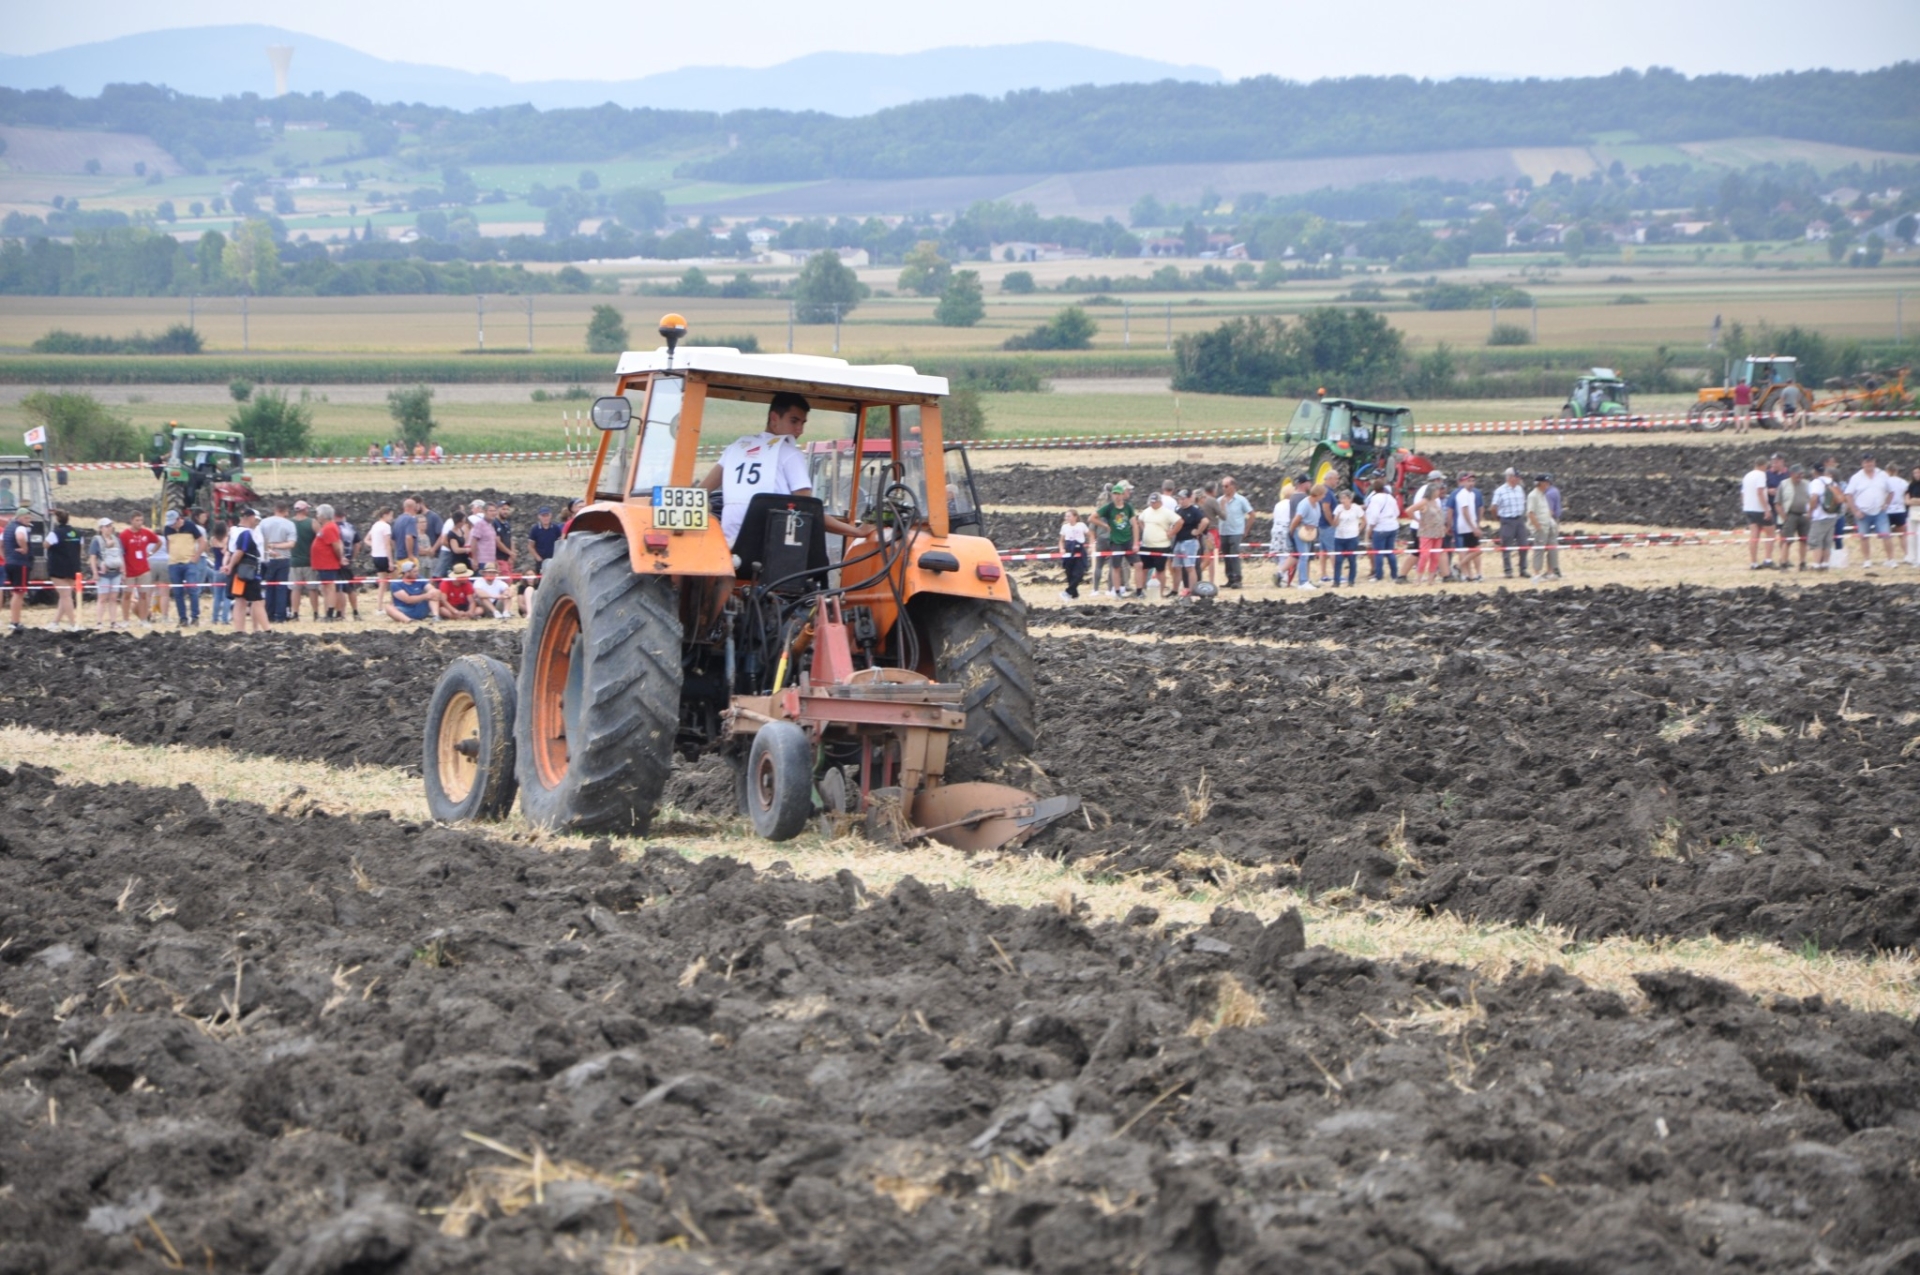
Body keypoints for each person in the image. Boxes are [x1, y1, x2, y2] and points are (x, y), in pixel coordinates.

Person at [698, 391, 869, 546]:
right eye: (794, 421)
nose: (800, 429)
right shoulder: (789, 453)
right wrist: (856, 531)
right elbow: (809, 508)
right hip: (769, 547)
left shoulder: (736, 447)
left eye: (803, 423)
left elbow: (700, 492)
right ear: (774, 418)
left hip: (726, 545)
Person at [1843, 453, 1899, 568]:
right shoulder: (1856, 477)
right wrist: (1855, 511)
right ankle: (1867, 561)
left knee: (1886, 535)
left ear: (1875, 462)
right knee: (1864, 537)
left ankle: (1891, 560)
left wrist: (1886, 505)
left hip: (1880, 512)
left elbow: (1891, 491)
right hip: (1863, 513)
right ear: (1862, 463)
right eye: (1867, 462)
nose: (1869, 464)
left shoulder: (1882, 475)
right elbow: (1848, 495)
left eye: (1871, 461)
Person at [224, 508, 269, 634]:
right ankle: (268, 631)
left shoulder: (233, 531)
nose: (256, 521)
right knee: (258, 600)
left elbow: (228, 551)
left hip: (238, 571)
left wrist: (227, 565)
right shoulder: (246, 533)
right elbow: (239, 552)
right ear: (250, 518)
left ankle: (239, 631)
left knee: (240, 600)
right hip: (247, 570)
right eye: (255, 518)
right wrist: (230, 565)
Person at [1092, 481, 1138, 598]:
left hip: (1103, 539)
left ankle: (1096, 589)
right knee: (1115, 565)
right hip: (1113, 539)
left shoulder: (1102, 505)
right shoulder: (1111, 507)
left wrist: (1093, 539)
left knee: (1101, 565)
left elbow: (1092, 525)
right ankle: (1112, 588)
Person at [163, 508, 206, 625]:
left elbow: (202, 541)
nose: (171, 526)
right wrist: (172, 554)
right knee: (177, 592)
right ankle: (183, 619)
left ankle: (195, 617)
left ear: (179, 519)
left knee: (193, 590)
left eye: (173, 523)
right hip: (173, 564)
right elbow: (168, 544)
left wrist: (197, 556)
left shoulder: (190, 526)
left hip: (189, 563)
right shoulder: (167, 529)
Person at [44, 509, 83, 630]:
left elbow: (45, 545)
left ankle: (73, 624)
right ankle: (55, 622)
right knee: (65, 595)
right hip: (73, 568)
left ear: (57, 519)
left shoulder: (55, 533)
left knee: (66, 596)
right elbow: (80, 550)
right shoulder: (77, 533)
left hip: (58, 568)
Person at [119, 512, 160, 626]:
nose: (139, 523)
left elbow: (158, 542)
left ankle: (143, 620)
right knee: (127, 595)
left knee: (144, 595)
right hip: (129, 570)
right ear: (131, 521)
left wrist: (150, 553)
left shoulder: (146, 533)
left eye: (141, 520)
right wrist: (123, 569)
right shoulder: (124, 535)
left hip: (144, 570)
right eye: (137, 520)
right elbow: (121, 553)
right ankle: (125, 620)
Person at [1136, 491, 1178, 598]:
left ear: (1160, 502)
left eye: (1155, 502)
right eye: (1151, 502)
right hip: (1146, 545)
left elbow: (1179, 521)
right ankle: (1142, 591)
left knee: (1160, 570)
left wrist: (1172, 533)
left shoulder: (1166, 512)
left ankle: (1160, 592)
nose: (1153, 504)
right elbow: (1140, 520)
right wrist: (1144, 530)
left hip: (1161, 546)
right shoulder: (1146, 511)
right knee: (1144, 569)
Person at [259, 501, 296, 622]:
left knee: (269, 587)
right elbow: (291, 543)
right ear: (285, 511)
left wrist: (269, 548)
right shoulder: (290, 524)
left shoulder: (264, 522)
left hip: (267, 559)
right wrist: (277, 546)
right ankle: (280, 616)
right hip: (283, 559)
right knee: (281, 587)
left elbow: (260, 541)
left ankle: (269, 615)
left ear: (275, 509)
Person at [1411, 471, 1448, 585]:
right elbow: (1410, 510)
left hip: (1437, 532)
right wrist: (1419, 521)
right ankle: (1418, 578)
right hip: (1426, 531)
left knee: (1435, 556)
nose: (1440, 490)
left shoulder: (1436, 501)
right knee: (1424, 555)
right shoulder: (1424, 500)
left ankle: (1431, 578)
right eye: (1438, 489)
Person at [1491, 468, 1530, 578]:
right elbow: (1494, 507)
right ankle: (1508, 570)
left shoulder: (1520, 489)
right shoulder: (1500, 491)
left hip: (1519, 520)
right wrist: (1499, 518)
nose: (1518, 479)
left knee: (1523, 545)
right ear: (1510, 477)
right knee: (1506, 546)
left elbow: (1524, 503)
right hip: (1507, 520)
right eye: (1516, 477)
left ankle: (1523, 569)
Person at [1774, 463, 1812, 571]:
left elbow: (1812, 499)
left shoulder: (1807, 484)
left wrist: (1809, 513)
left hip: (1804, 515)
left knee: (1804, 540)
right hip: (1790, 515)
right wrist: (1784, 517)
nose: (1800, 476)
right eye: (1798, 474)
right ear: (1791, 474)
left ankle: (1803, 563)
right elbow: (1777, 503)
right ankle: (1784, 563)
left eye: (1802, 474)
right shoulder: (1784, 484)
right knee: (1787, 541)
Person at [89, 518, 126, 628]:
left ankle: (113, 622)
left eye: (110, 526)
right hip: (103, 574)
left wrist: (123, 571)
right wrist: (95, 572)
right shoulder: (96, 540)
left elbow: (121, 556)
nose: (110, 528)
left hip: (116, 573)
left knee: (114, 598)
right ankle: (99, 622)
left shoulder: (117, 540)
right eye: (107, 526)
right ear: (101, 529)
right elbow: (93, 558)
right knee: (102, 598)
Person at [1216, 476, 1252, 589]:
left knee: (1234, 555)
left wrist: (1246, 529)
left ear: (1233, 486)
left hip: (1236, 532)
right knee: (1226, 556)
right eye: (1222, 486)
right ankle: (1230, 578)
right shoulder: (1219, 500)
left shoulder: (1241, 500)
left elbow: (1252, 514)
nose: (1224, 488)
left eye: (1226, 486)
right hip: (1223, 532)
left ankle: (1237, 579)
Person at [311, 504, 346, 621]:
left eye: (318, 514)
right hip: (323, 563)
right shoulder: (326, 527)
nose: (316, 516)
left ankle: (330, 613)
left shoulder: (330, 527)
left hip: (328, 563)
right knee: (326, 588)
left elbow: (336, 545)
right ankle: (328, 612)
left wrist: (340, 557)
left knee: (330, 588)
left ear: (323, 516)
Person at [1363, 478, 1401, 582]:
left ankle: (1379, 575)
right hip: (1392, 527)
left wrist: (1370, 529)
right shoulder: (1391, 498)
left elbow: (1374, 516)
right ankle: (1394, 574)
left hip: (1380, 528)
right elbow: (1397, 512)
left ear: (1374, 489)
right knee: (1391, 552)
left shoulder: (1374, 499)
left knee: (1378, 553)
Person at [1172, 490, 1208, 597]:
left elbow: (1205, 521)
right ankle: (1174, 591)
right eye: (1180, 499)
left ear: (1189, 498)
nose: (1181, 501)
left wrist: (1198, 531)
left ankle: (1192, 591)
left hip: (1190, 542)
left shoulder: (1194, 510)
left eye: (1183, 499)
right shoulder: (1178, 511)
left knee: (1190, 567)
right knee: (1176, 567)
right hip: (1179, 541)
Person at [1806, 461, 1841, 570]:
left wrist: (1810, 512)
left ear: (1814, 471)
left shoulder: (1816, 482)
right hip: (1832, 515)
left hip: (1820, 516)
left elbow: (1814, 498)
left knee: (1816, 540)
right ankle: (1825, 563)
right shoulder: (1832, 482)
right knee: (1827, 540)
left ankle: (1816, 564)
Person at [1450, 473, 1484, 582]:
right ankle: (1462, 570)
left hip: (1470, 526)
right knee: (1475, 550)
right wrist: (1474, 527)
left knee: (1472, 551)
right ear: (1463, 482)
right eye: (1469, 481)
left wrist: (1476, 525)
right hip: (1465, 527)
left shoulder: (1472, 494)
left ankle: (1467, 573)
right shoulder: (1462, 494)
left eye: (1473, 481)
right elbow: (1465, 512)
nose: (1471, 483)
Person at [1526, 474, 1561, 580]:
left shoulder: (1543, 495)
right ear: (1539, 483)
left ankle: (1550, 572)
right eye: (1545, 482)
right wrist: (1538, 526)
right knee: (1539, 550)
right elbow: (1531, 512)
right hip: (1540, 527)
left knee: (1552, 548)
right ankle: (1536, 573)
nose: (1547, 485)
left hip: (1549, 525)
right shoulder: (1533, 495)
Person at [1740, 457, 1772, 569]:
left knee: (1754, 535)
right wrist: (1766, 509)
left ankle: (1753, 562)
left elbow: (1743, 493)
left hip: (1748, 508)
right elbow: (1760, 492)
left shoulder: (1747, 476)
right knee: (1770, 533)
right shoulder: (1761, 475)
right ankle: (1768, 559)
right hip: (1759, 509)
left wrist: (1745, 505)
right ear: (1763, 465)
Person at [385, 559, 439, 624]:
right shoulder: (396, 584)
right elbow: (408, 600)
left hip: (419, 607)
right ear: (407, 573)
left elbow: (431, 588)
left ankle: (436, 617)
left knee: (434, 594)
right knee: (388, 608)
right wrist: (426, 596)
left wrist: (432, 592)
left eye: (417, 571)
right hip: (405, 610)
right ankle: (409, 621)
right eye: (415, 572)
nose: (417, 574)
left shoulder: (419, 578)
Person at [4, 507, 32, 631]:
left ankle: (14, 621)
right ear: (19, 517)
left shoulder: (7, 528)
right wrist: (25, 549)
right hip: (20, 563)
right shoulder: (20, 528)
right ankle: (15, 622)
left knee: (15, 592)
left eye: (29, 518)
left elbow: (1, 544)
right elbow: (20, 537)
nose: (28, 520)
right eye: (26, 518)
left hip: (10, 563)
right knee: (19, 593)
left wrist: (6, 557)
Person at [1330, 489, 1363, 588]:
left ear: (1350, 499)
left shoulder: (1356, 508)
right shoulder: (1338, 508)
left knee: (1352, 560)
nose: (1342, 500)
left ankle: (1351, 581)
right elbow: (1334, 524)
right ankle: (1336, 581)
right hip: (1339, 537)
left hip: (1352, 537)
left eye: (1344, 498)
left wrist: (1358, 530)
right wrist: (1337, 516)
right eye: (1341, 498)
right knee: (1338, 560)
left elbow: (1364, 520)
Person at [205, 519, 233, 626]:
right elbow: (226, 551)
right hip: (226, 569)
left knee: (217, 596)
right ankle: (225, 619)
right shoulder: (228, 539)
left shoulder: (213, 540)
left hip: (217, 569)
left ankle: (214, 618)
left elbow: (208, 550)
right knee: (227, 596)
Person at [1058, 510, 1089, 602]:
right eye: (1066, 516)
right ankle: (1074, 594)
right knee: (1069, 573)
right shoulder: (1064, 527)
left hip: (1079, 549)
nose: (1067, 518)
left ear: (1075, 517)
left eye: (1069, 516)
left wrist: (1092, 545)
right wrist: (1061, 549)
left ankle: (1067, 592)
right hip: (1069, 549)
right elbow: (1061, 540)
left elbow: (1090, 535)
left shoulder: (1081, 525)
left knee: (1079, 573)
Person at [367, 507, 395, 597]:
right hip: (384, 556)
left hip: (376, 557)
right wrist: (390, 561)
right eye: (391, 516)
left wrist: (375, 545)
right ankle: (394, 602)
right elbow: (387, 545)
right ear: (385, 515)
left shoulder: (375, 525)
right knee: (394, 581)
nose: (392, 518)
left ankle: (379, 607)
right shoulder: (386, 527)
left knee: (382, 583)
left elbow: (366, 539)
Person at [528, 505, 563, 573]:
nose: (545, 518)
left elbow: (561, 544)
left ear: (550, 516)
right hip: (541, 562)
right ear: (539, 517)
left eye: (547, 515)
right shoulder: (535, 529)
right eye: (543, 516)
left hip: (554, 561)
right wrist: (538, 558)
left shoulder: (556, 528)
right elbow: (530, 546)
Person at [467, 500, 498, 568]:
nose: (493, 513)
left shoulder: (491, 526)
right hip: (481, 562)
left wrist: (495, 560)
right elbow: (473, 542)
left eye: (495, 511)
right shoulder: (480, 524)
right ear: (484, 511)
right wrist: (475, 560)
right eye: (491, 511)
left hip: (491, 562)